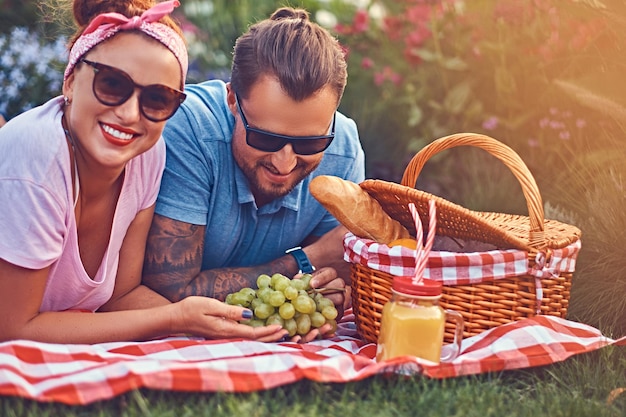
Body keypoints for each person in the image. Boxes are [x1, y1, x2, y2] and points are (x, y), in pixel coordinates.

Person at [0, 0, 287, 344]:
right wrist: (172, 316)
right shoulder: (38, 157)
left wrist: (230, 327)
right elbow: (14, 329)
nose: (129, 113)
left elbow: (121, 297)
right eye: (111, 84)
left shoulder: (145, 157)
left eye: (157, 99)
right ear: (71, 82)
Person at [142, 6, 366, 340]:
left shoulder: (343, 148)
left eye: (310, 143)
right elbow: (169, 292)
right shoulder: (190, 131)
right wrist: (307, 260)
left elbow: (335, 278)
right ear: (232, 100)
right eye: (265, 137)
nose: (285, 162)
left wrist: (331, 291)